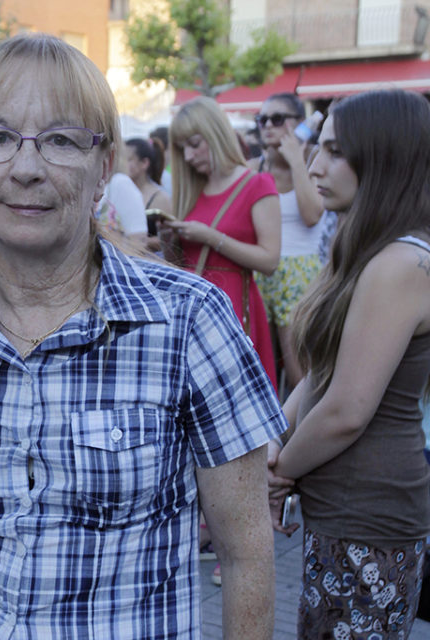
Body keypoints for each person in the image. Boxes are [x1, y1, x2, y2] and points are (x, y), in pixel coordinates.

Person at [0, 34, 285, 639]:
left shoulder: (189, 322)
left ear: (103, 168)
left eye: (60, 140)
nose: (26, 168)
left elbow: (246, 554)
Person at [269, 90, 430, 639]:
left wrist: (280, 473)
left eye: (335, 151)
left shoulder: (399, 262)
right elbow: (322, 373)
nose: (314, 165)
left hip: (370, 518)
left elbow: (346, 410)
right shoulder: (368, 250)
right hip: (343, 512)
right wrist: (276, 441)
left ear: (384, 157)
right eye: (319, 147)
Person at [165, 96, 281, 391]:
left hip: (233, 307)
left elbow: (269, 260)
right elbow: (179, 264)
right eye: (182, 148)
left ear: (215, 134)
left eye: (194, 144)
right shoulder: (191, 190)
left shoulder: (257, 184)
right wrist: (167, 240)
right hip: (191, 312)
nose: (188, 156)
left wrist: (210, 237)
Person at [248, 93, 326, 392]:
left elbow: (312, 215)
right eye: (262, 119)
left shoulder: (314, 160)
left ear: (299, 123)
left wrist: (296, 159)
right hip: (260, 269)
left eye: (278, 119)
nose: (268, 126)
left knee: (299, 375)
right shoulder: (253, 167)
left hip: (300, 273)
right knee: (258, 368)